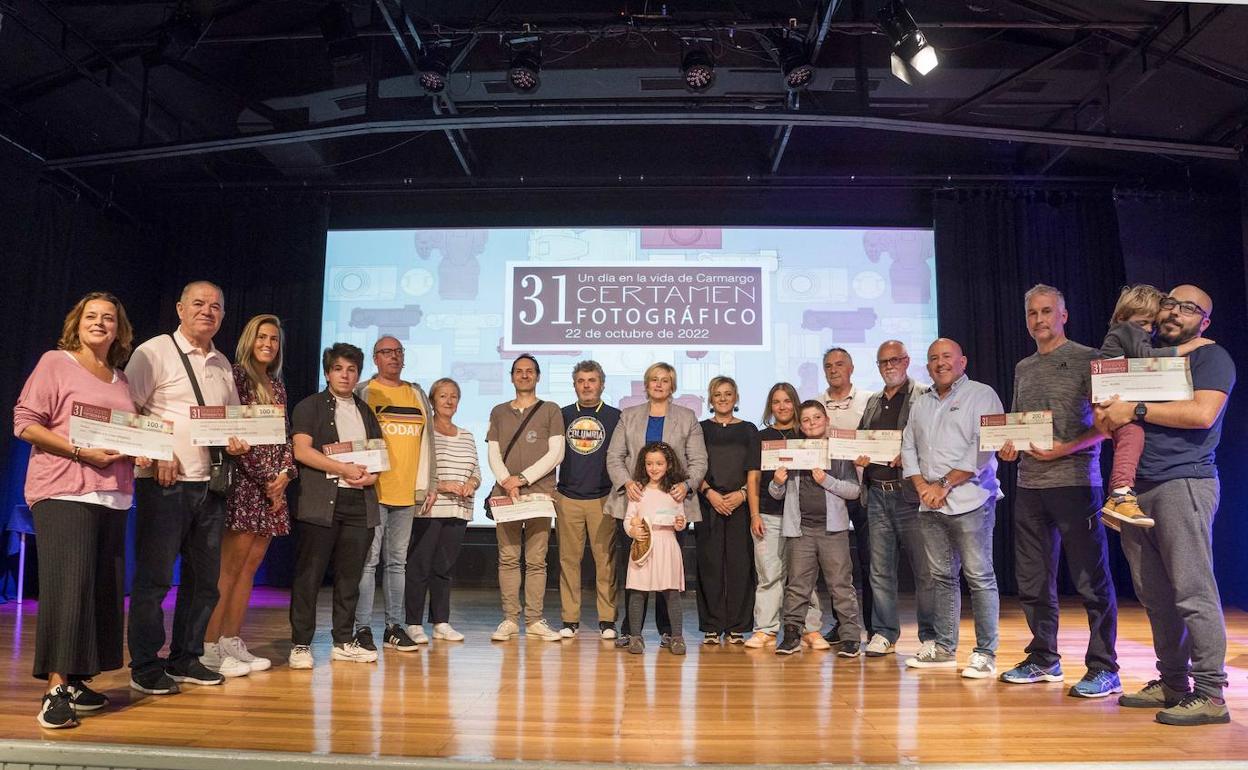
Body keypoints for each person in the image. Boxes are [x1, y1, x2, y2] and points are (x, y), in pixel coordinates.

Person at [1095, 284, 1234, 726]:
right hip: (1137, 491)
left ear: (1204, 320)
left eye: (1189, 308)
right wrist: (1107, 412)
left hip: (1184, 483)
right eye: (1171, 303)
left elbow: (1201, 414)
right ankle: (1174, 683)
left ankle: (1211, 693)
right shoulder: (1146, 354)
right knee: (1155, 596)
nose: (1175, 312)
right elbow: (1106, 416)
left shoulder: (1211, 357)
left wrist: (1134, 409)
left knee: (1193, 592)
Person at [14, 293, 146, 728]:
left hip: (114, 495)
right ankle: (54, 690)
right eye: (92, 316)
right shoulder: (56, 362)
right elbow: (25, 422)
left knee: (101, 590)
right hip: (64, 490)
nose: (100, 323)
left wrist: (140, 452)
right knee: (68, 588)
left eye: (109, 317)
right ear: (77, 323)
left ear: (119, 329)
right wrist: (79, 451)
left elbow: (125, 435)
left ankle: (76, 680)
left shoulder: (120, 379)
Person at [996, 285, 1121, 697]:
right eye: (1032, 313)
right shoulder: (1023, 366)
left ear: (1063, 315)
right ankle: (1043, 658)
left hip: (1076, 483)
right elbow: (1020, 422)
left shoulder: (1090, 359)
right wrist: (1010, 446)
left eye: (1047, 312)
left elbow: (1108, 426)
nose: (1039, 320)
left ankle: (1105, 667)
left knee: (1090, 579)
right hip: (1029, 485)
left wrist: (1064, 449)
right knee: (1032, 580)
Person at [125, 281, 249, 694]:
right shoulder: (153, 351)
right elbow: (127, 410)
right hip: (164, 485)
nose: (207, 311)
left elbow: (228, 420)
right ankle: (144, 666)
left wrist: (236, 439)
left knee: (203, 582)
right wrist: (157, 450)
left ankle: (185, 658)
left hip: (209, 488)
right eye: (198, 304)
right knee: (155, 580)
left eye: (216, 306)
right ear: (180, 308)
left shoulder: (222, 363)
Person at [901, 338, 1003, 679]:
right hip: (929, 504)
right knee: (941, 577)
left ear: (963, 361)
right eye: (933, 358)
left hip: (971, 500)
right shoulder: (922, 402)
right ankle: (944, 647)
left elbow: (983, 446)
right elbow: (909, 445)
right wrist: (922, 487)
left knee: (979, 576)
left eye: (946, 357)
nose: (940, 363)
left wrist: (943, 485)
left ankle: (985, 652)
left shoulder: (982, 394)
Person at [202, 314, 296, 676]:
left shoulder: (278, 385)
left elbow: (285, 436)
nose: (268, 344)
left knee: (250, 569)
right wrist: (266, 479)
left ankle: (231, 640)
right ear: (249, 340)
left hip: (274, 489)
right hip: (245, 484)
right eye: (262, 337)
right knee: (229, 569)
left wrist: (285, 476)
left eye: (274, 339)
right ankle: (209, 647)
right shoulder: (236, 377)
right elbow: (239, 436)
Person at [288, 343, 382, 669]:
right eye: (339, 368)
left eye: (352, 369)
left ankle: (343, 640)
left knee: (349, 577)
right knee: (309, 576)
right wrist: (342, 469)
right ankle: (301, 644)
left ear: (358, 374)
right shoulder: (309, 406)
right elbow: (301, 451)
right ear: (328, 372)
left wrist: (370, 477)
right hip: (321, 502)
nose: (345, 375)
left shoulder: (364, 410)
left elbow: (376, 456)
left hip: (360, 502)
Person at [605, 362, 707, 649]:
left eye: (664, 380)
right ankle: (631, 630)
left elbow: (699, 461)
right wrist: (626, 482)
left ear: (672, 385)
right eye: (653, 380)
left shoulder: (687, 417)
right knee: (635, 568)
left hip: (675, 503)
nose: (659, 384)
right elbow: (614, 456)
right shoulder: (629, 416)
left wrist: (686, 485)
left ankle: (668, 631)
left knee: (667, 573)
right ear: (646, 385)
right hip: (634, 502)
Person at [1097, 285, 1212, 529]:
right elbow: (1147, 357)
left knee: (1131, 440)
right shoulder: (1127, 330)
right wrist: (1187, 347)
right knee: (1132, 438)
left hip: (1115, 395)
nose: (1148, 330)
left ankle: (1118, 500)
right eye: (1143, 323)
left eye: (1152, 324)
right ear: (1122, 317)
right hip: (1114, 394)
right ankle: (1119, 494)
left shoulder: (1125, 330)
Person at [851, 340, 934, 658]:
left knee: (923, 570)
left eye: (894, 360)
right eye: (883, 362)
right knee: (880, 570)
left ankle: (929, 635)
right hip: (877, 496)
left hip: (910, 496)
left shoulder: (923, 396)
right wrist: (858, 456)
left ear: (907, 361)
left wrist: (909, 454)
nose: (889, 366)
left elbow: (932, 440)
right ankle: (884, 633)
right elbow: (863, 438)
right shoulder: (873, 401)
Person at [353, 336, 435, 653]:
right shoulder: (364, 391)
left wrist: (429, 482)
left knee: (397, 564)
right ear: (375, 358)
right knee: (368, 562)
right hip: (372, 491)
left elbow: (428, 442)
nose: (394, 357)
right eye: (387, 352)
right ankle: (361, 629)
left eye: (399, 352)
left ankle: (393, 626)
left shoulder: (415, 393)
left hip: (405, 494)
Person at [770, 401, 864, 657]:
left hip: (833, 531)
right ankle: (791, 636)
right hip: (800, 531)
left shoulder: (840, 453)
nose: (812, 423)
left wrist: (827, 480)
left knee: (841, 586)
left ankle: (850, 637)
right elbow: (776, 493)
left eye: (817, 418)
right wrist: (777, 483)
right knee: (797, 586)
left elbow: (854, 491)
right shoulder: (793, 451)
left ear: (826, 421)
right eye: (807, 420)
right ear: (800, 425)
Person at [486, 354, 565, 642]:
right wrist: (506, 481)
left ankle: (534, 620)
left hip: (539, 494)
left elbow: (556, 452)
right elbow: (493, 452)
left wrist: (522, 479)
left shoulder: (551, 410)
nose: (524, 375)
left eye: (529, 371)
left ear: (538, 376)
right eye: (519, 371)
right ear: (511, 376)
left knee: (536, 560)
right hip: (505, 494)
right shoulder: (498, 411)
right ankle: (509, 619)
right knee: (507, 558)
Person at [744, 382, 821, 650]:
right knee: (769, 575)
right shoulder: (761, 436)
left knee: (804, 576)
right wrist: (754, 514)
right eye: (776, 402)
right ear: (770, 407)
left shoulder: (808, 434)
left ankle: (810, 629)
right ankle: (766, 629)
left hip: (804, 517)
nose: (782, 406)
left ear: (795, 403)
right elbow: (752, 478)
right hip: (768, 513)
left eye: (787, 401)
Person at [407, 377, 478, 643]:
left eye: (453, 396)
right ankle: (413, 623)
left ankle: (441, 622)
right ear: (432, 401)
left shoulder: (467, 435)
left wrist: (471, 483)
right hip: (431, 508)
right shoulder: (425, 435)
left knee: (443, 568)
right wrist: (442, 484)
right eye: (443, 396)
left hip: (459, 510)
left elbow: (476, 471)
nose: (449, 401)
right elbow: (418, 469)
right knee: (419, 566)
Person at [555, 361, 622, 639]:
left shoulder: (615, 416)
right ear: (574, 385)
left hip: (602, 498)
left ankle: (607, 620)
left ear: (601, 384)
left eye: (592, 380)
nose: (586, 385)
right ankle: (570, 620)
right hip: (568, 497)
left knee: (605, 562)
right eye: (581, 380)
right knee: (568, 561)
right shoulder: (561, 415)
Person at [695, 376, 759, 645]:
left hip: (740, 505)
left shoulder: (749, 429)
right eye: (717, 394)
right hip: (708, 502)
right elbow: (691, 466)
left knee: (740, 566)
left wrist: (742, 495)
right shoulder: (699, 429)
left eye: (728, 393)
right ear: (710, 399)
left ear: (736, 397)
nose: (722, 398)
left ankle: (736, 626)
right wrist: (709, 493)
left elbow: (755, 469)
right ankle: (711, 625)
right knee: (709, 565)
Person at [817, 347, 874, 648]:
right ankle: (842, 625)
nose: (834, 369)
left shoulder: (868, 401)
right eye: (828, 365)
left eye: (840, 364)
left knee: (870, 562)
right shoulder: (815, 404)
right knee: (836, 567)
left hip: (865, 490)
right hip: (829, 494)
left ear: (851, 368)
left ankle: (875, 629)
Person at [624, 442, 690, 656]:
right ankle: (635, 637)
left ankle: (677, 637)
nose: (654, 468)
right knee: (638, 593)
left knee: (671, 593)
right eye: (649, 463)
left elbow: (680, 518)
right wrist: (633, 531)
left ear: (668, 465)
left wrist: (681, 523)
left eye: (659, 463)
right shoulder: (638, 491)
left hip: (667, 545)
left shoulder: (674, 491)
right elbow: (628, 520)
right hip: (644, 546)